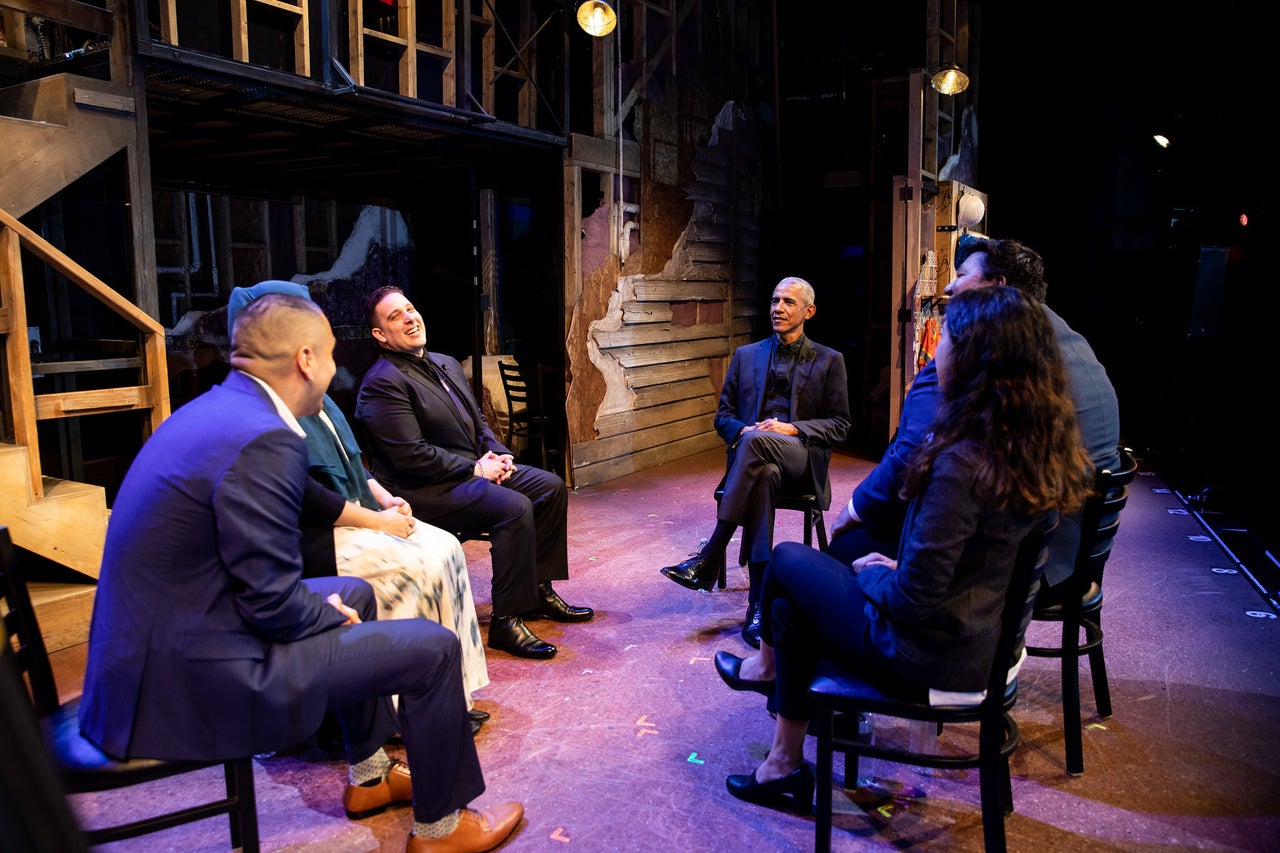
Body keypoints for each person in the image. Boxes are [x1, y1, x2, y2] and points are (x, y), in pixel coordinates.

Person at [78, 293, 523, 853]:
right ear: (307, 359)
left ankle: (369, 776)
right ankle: (444, 828)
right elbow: (270, 604)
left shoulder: (220, 410)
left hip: (159, 649)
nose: (337, 370)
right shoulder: (266, 436)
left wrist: (319, 606)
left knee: (354, 593)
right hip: (181, 682)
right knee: (431, 649)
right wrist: (312, 612)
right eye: (334, 355)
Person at [714, 285, 1095, 815]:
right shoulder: (1030, 441)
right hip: (977, 637)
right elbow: (971, 560)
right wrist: (904, 563)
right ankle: (782, 762)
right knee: (790, 601)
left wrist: (877, 574)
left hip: (928, 656)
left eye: (947, 339)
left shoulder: (962, 459)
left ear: (974, 357)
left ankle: (773, 702)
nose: (935, 348)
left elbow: (913, 600)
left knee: (787, 562)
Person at [227, 281, 491, 734]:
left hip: (356, 513)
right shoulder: (262, 403)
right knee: (408, 569)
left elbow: (352, 461)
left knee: (445, 547)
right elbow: (308, 498)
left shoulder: (316, 393)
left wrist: (385, 498)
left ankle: (449, 692)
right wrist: (378, 519)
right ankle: (400, 711)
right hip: (313, 535)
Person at [828, 236, 1121, 599]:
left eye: (961, 273)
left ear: (995, 285)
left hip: (1027, 557)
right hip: (1077, 547)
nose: (950, 285)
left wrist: (856, 508)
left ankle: (872, 645)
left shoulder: (986, 342)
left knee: (849, 544)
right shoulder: (1063, 333)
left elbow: (910, 452)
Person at [355, 285, 593, 661]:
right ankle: (506, 621)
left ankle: (537, 592)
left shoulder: (445, 362)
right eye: (395, 316)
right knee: (513, 507)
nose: (409, 318)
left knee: (548, 486)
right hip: (424, 489)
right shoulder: (382, 382)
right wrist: (476, 468)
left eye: (410, 309)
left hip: (469, 471)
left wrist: (498, 454)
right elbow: (410, 457)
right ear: (380, 335)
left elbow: (478, 421)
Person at [660, 276, 850, 648]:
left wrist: (791, 428)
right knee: (763, 472)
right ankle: (758, 606)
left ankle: (711, 554)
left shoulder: (829, 361)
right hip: (759, 463)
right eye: (775, 300)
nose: (778, 308)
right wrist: (747, 431)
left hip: (801, 460)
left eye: (789, 302)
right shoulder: (747, 356)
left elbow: (840, 424)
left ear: (808, 312)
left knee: (761, 444)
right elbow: (723, 417)